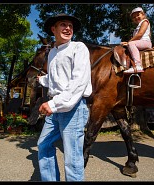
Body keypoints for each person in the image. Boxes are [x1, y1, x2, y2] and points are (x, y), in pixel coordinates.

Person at [36, 13, 92, 181]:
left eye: (70, 26)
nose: (68, 28)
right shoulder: (52, 52)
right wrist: (41, 79)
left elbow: (78, 82)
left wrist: (53, 104)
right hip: (55, 108)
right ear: (53, 29)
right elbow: (56, 79)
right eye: (63, 24)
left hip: (73, 108)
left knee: (72, 158)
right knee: (43, 145)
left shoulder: (78, 48)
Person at [120, 7, 152, 73]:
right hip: (140, 42)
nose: (136, 17)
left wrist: (128, 42)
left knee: (131, 44)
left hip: (145, 42)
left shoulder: (145, 22)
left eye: (138, 15)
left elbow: (140, 34)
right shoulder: (137, 27)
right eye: (134, 17)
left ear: (143, 15)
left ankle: (138, 66)